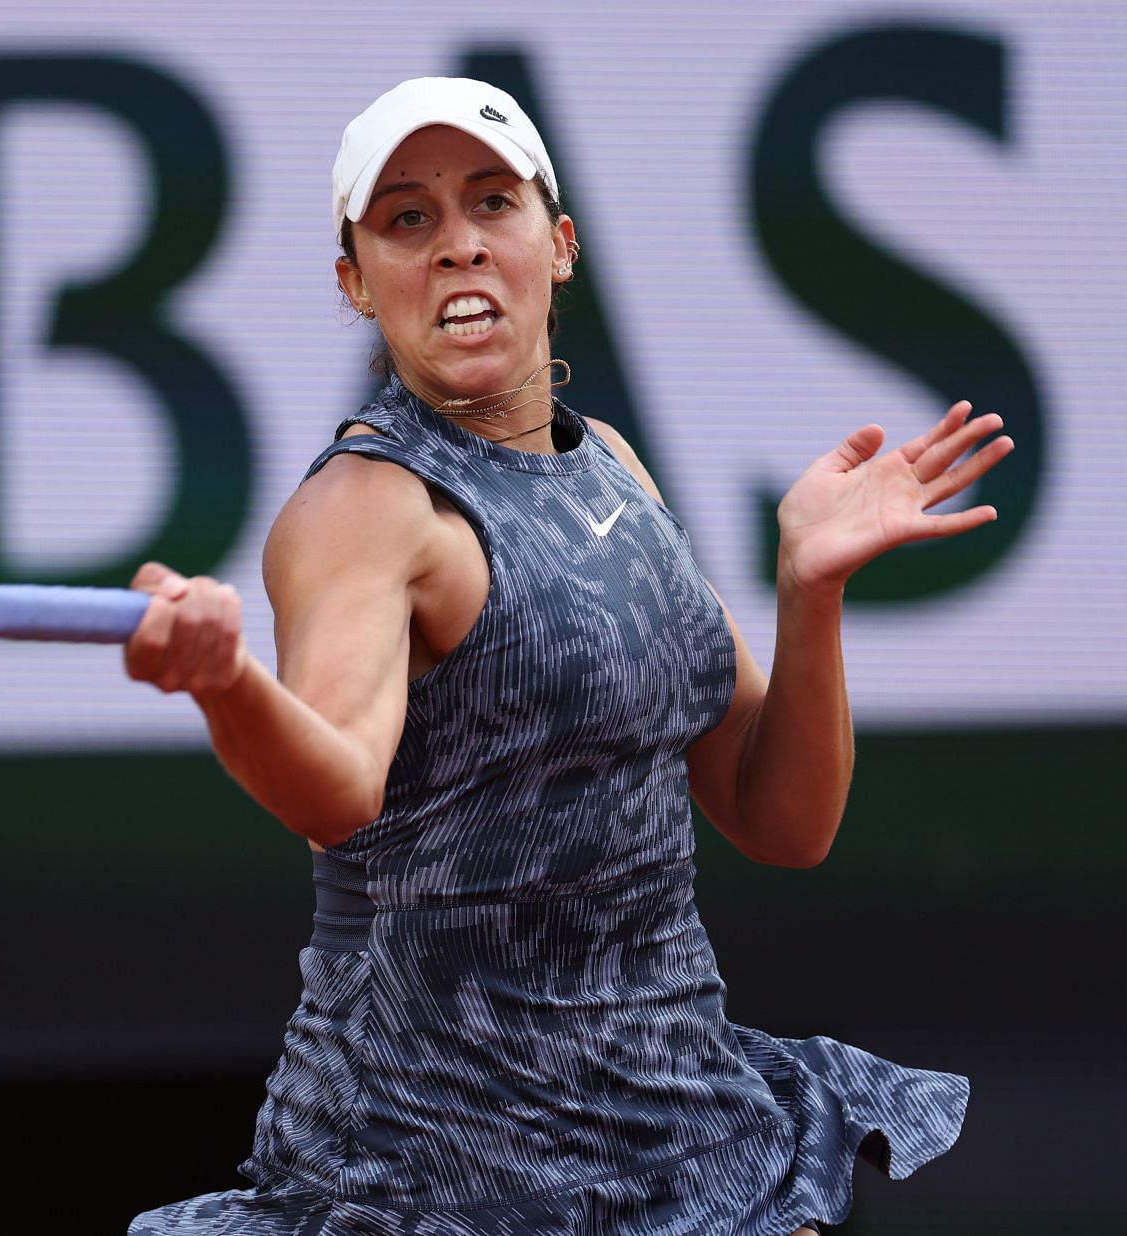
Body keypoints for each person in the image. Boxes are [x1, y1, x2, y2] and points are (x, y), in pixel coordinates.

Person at [122, 77, 1004, 1235]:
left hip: (684, 1137)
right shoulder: (368, 511)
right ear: (356, 280)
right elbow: (334, 793)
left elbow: (780, 821)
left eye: (493, 203)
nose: (457, 247)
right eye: (407, 220)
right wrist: (226, 685)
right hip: (437, 1170)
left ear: (562, 243)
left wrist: (809, 591)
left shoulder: (616, 468)